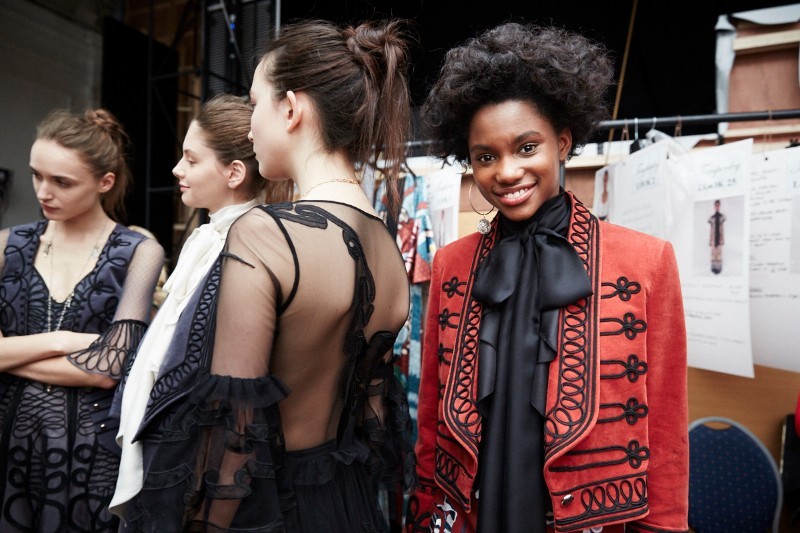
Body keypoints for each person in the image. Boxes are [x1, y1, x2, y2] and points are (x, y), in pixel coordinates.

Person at [126, 19, 414, 531]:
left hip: (268, 510)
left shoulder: (266, 234)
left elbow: (235, 425)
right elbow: (374, 418)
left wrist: (204, 524)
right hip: (347, 506)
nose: (251, 123)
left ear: (291, 107)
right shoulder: (387, 248)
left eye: (256, 103)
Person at [406, 23, 688, 532]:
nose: (506, 172)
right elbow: (431, 421)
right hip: (474, 511)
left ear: (562, 141)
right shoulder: (451, 264)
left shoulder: (646, 262)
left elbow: (666, 433)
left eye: (526, 147)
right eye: (485, 156)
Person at [109, 93, 293, 523]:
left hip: (191, 455)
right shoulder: (207, 236)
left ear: (233, 172)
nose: (177, 169)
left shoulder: (246, 246)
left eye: (191, 160)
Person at [0, 108, 165, 531]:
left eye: (61, 181)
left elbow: (108, 369)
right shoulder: (6, 245)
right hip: (5, 443)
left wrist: (9, 353)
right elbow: (95, 356)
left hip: (89, 457)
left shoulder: (138, 252)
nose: (43, 191)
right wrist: (64, 340)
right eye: (37, 175)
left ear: (104, 182)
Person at [708, 199, 725, 274]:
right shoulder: (712, 218)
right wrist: (710, 240)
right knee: (713, 254)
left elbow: (722, 228)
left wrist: (722, 239)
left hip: (719, 238)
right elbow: (711, 229)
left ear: (719, 206)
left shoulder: (721, 217)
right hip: (714, 238)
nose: (717, 207)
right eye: (716, 205)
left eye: (718, 205)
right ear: (714, 206)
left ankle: (719, 268)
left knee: (719, 254)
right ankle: (713, 268)